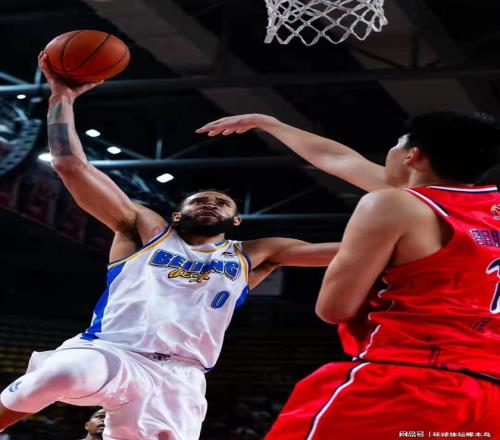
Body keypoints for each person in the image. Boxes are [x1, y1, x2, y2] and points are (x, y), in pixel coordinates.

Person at [0, 55, 340, 440]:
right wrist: (61, 97)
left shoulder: (256, 252)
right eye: (199, 200)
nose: (209, 203)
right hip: (112, 351)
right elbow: (70, 166)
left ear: (236, 221)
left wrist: (395, 220)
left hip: (181, 375)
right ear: (177, 215)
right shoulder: (145, 229)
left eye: (221, 202)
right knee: (61, 373)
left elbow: (352, 252)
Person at [198, 112, 500, 437]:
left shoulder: (391, 203)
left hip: (410, 378)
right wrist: (270, 123)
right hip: (489, 392)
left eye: (397, 144)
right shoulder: (482, 208)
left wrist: (369, 256)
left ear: (412, 155)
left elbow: (333, 308)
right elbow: (339, 159)